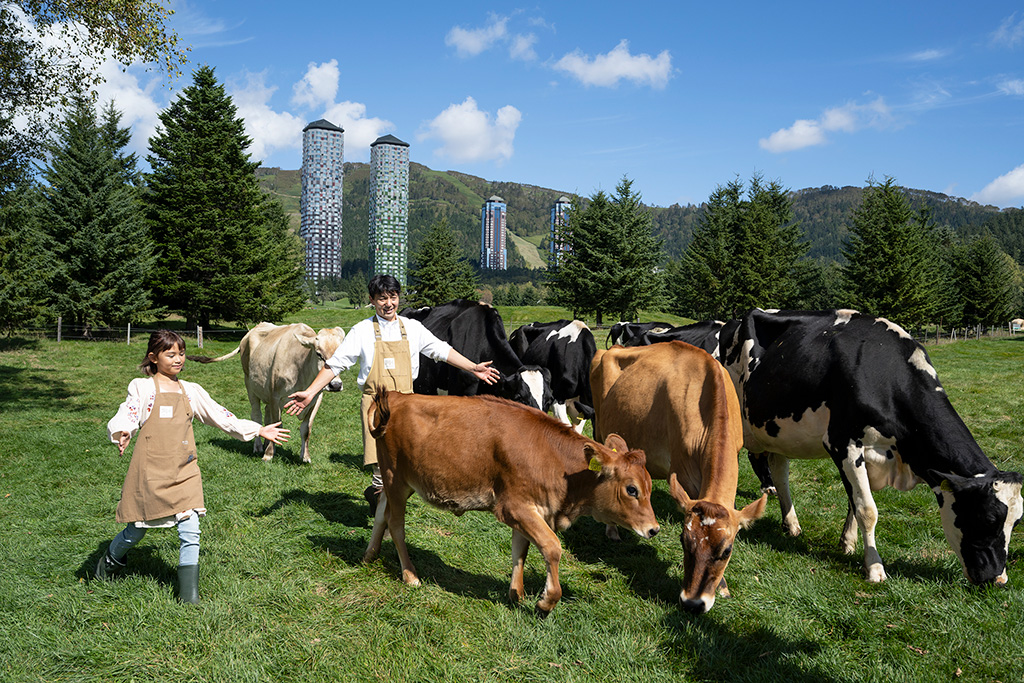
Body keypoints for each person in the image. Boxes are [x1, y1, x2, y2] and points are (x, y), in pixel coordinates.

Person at [96, 329, 290, 603]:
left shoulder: (192, 391)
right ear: (154, 357)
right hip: (150, 472)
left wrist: (258, 430)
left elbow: (222, 417)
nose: (178, 359)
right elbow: (127, 412)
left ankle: (189, 598)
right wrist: (123, 431)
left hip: (185, 470)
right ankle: (110, 562)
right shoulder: (142, 387)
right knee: (136, 530)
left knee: (191, 528)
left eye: (182, 353)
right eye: (170, 354)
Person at [284, 274, 500, 508]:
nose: (389, 303)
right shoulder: (361, 331)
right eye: (382, 298)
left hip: (409, 405)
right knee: (381, 465)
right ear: (372, 300)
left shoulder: (413, 328)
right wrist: (310, 392)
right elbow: (335, 363)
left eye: (393, 297)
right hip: (377, 405)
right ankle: (383, 509)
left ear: (399, 297)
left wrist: (473, 367)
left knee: (408, 461)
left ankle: (384, 503)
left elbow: (440, 350)